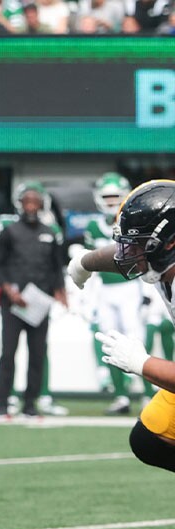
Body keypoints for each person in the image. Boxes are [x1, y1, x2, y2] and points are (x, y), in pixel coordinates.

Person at [69, 180, 175, 475]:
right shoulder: (161, 256)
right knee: (149, 437)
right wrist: (83, 262)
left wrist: (142, 363)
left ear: (170, 242)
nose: (128, 252)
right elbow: (122, 256)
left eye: (138, 243)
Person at [0, 183, 68, 418]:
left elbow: (56, 267)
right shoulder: (9, 231)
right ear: (20, 204)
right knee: (8, 353)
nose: (31, 206)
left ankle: (30, 404)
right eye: (27, 202)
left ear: (41, 205)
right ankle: (2, 403)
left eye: (36, 202)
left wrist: (61, 291)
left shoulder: (50, 232)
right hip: (13, 302)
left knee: (37, 354)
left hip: (39, 304)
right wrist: (10, 291)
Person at [84, 172, 142, 415]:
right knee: (109, 341)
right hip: (105, 289)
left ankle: (148, 394)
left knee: (137, 341)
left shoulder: (135, 222)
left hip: (131, 287)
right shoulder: (93, 226)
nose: (110, 201)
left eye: (114, 196)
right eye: (106, 196)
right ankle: (121, 396)